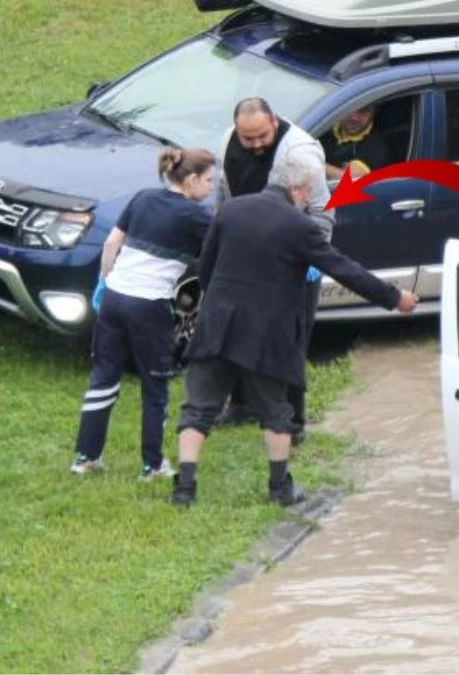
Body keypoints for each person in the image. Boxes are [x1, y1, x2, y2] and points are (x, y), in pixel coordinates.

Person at [169, 158, 418, 508]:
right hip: (265, 335)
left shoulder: (230, 210)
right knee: (276, 412)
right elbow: (343, 268)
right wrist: (394, 298)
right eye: (309, 194)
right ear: (298, 190)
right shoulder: (299, 226)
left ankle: (184, 489)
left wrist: (219, 306)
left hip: (217, 325)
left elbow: (206, 267)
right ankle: (279, 488)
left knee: (197, 409)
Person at [70, 147, 217, 480]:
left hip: (115, 298)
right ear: (191, 179)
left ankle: (85, 457)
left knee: (103, 377)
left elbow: (111, 244)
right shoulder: (197, 217)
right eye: (209, 180)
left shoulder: (143, 197)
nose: (211, 188)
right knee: (156, 387)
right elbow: (217, 257)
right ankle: (152, 466)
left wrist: (103, 282)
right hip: (149, 307)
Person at [214, 97, 334, 446]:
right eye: (246, 138)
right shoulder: (229, 139)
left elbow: (324, 211)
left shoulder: (299, 154)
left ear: (275, 121)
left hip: (291, 257)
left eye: (261, 137)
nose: (253, 145)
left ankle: (293, 421)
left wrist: (312, 258)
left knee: (289, 343)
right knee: (236, 329)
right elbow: (223, 192)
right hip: (245, 252)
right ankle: (241, 404)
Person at [319, 105, 394, 181]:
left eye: (364, 111)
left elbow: (349, 178)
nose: (354, 117)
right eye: (348, 109)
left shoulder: (376, 145)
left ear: (373, 113)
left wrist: (311, 162)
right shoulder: (324, 128)